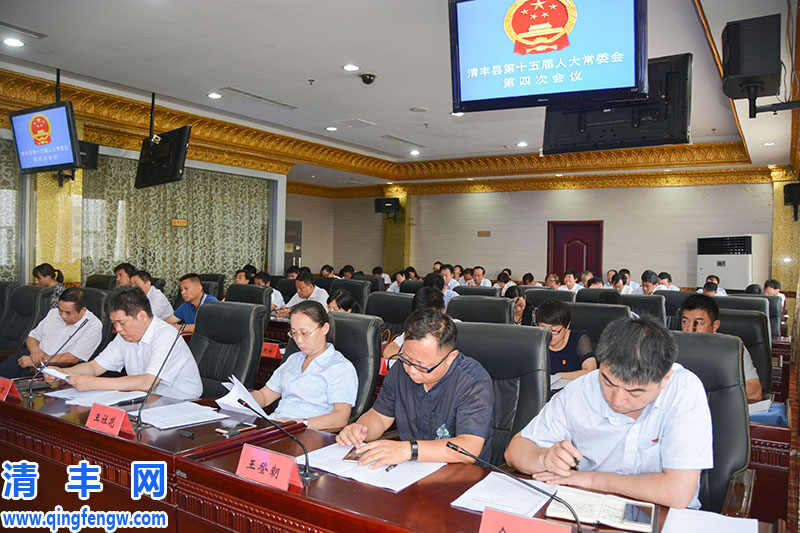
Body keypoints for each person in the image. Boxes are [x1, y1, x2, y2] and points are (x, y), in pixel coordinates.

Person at [505, 316, 713, 509]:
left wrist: (592, 479)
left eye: (634, 391)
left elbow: (677, 493)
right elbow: (515, 451)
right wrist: (544, 458)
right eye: (608, 382)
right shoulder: (582, 389)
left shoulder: (684, 390)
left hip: (664, 515)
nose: (617, 400)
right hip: (592, 508)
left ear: (664, 379)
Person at [337, 309, 494, 466]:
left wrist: (409, 450)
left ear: (450, 358)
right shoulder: (400, 369)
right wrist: (360, 430)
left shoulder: (473, 382)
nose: (411, 370)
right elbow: (379, 417)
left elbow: (469, 448)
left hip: (462, 472)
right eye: (406, 359)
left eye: (421, 366)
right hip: (412, 467)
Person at [48, 287, 202, 400]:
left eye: (121, 322)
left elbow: (148, 382)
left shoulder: (166, 335)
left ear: (142, 316)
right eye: (114, 323)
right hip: (144, 400)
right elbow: (95, 367)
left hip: (181, 403)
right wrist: (64, 373)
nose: (117, 329)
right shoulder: (125, 335)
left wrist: (94, 383)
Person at [251, 302, 357, 431]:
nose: (298, 340)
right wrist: (243, 399)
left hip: (306, 432)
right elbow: (264, 396)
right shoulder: (293, 360)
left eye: (304, 333)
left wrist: (298, 423)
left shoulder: (340, 367)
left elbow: (340, 418)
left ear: (324, 328)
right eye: (294, 333)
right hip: (276, 426)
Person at [0, 288, 103, 378]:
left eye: (68, 313)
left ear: (83, 310)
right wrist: (35, 352)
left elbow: (73, 358)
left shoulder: (93, 325)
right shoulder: (53, 313)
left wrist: (38, 361)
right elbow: (32, 337)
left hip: (58, 366)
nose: (62, 315)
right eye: (60, 310)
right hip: (33, 356)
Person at [679, 294, 761, 401]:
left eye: (698, 323)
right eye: (684, 322)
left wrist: (718, 390)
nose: (689, 329)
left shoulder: (732, 348)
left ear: (715, 326)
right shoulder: (670, 346)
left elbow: (755, 392)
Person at [537, 300, 597, 380]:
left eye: (554, 330)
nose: (549, 335)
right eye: (543, 329)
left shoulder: (578, 339)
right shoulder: (535, 340)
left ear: (567, 326)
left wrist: (558, 376)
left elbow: (591, 371)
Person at [382, 287, 446, 360]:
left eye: (430, 317)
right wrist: (413, 356)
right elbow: (388, 352)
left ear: (443, 311)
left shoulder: (453, 330)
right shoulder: (416, 328)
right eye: (420, 317)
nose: (425, 322)